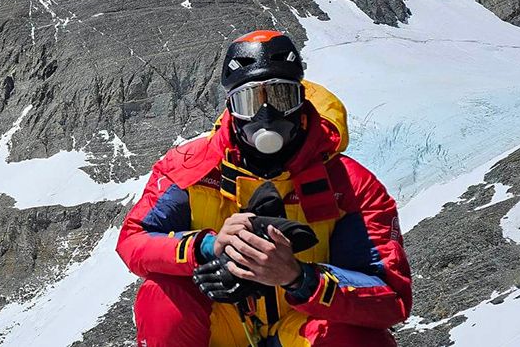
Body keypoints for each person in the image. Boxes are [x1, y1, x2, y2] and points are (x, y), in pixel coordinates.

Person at [117, 30, 412, 346]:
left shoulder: (351, 185)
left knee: (358, 337)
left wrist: (300, 278)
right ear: (231, 108)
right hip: (224, 323)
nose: (266, 114)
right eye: (249, 101)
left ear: (301, 101)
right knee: (162, 296)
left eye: (281, 97)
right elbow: (134, 239)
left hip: (301, 328)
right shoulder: (191, 168)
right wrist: (206, 249)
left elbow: (390, 298)